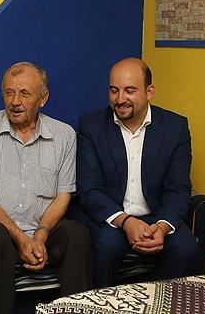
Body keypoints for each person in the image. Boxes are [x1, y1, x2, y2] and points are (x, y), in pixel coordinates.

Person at [0, 62, 92, 314]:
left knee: (76, 234)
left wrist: (40, 236)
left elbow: (63, 196)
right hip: (1, 230)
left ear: (43, 99)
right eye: (9, 93)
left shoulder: (64, 135)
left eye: (24, 93)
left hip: (44, 230)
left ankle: (77, 310)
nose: (14, 101)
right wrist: (21, 239)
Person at [72, 58, 198, 287]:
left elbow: (178, 188)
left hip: (156, 216)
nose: (120, 99)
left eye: (129, 91)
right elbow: (89, 189)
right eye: (114, 90)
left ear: (149, 92)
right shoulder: (91, 126)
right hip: (111, 217)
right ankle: (106, 304)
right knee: (108, 246)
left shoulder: (175, 127)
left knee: (186, 248)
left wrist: (162, 227)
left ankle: (152, 300)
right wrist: (126, 222)